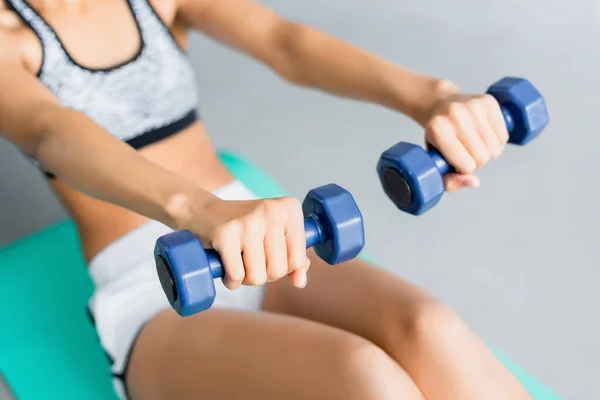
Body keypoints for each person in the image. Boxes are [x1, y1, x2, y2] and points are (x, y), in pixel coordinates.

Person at [0, 0, 530, 398]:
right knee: (364, 377)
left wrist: (431, 97)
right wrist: (198, 210)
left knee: (432, 329)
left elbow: (284, 41)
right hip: (154, 288)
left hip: (267, 239)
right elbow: (51, 132)